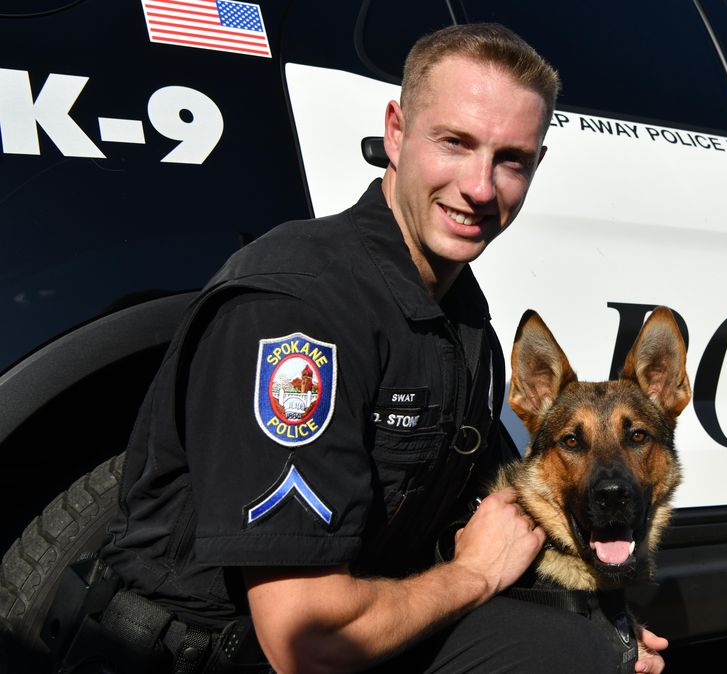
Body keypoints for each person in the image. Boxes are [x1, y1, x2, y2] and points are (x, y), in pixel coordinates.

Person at [91, 23, 667, 674]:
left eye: (511, 159)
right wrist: (473, 574)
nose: (481, 187)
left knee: (592, 653)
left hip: (364, 611)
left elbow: (482, 511)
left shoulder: (454, 307)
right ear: (396, 131)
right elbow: (304, 644)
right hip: (215, 652)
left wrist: (606, 628)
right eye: (455, 142)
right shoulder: (301, 310)